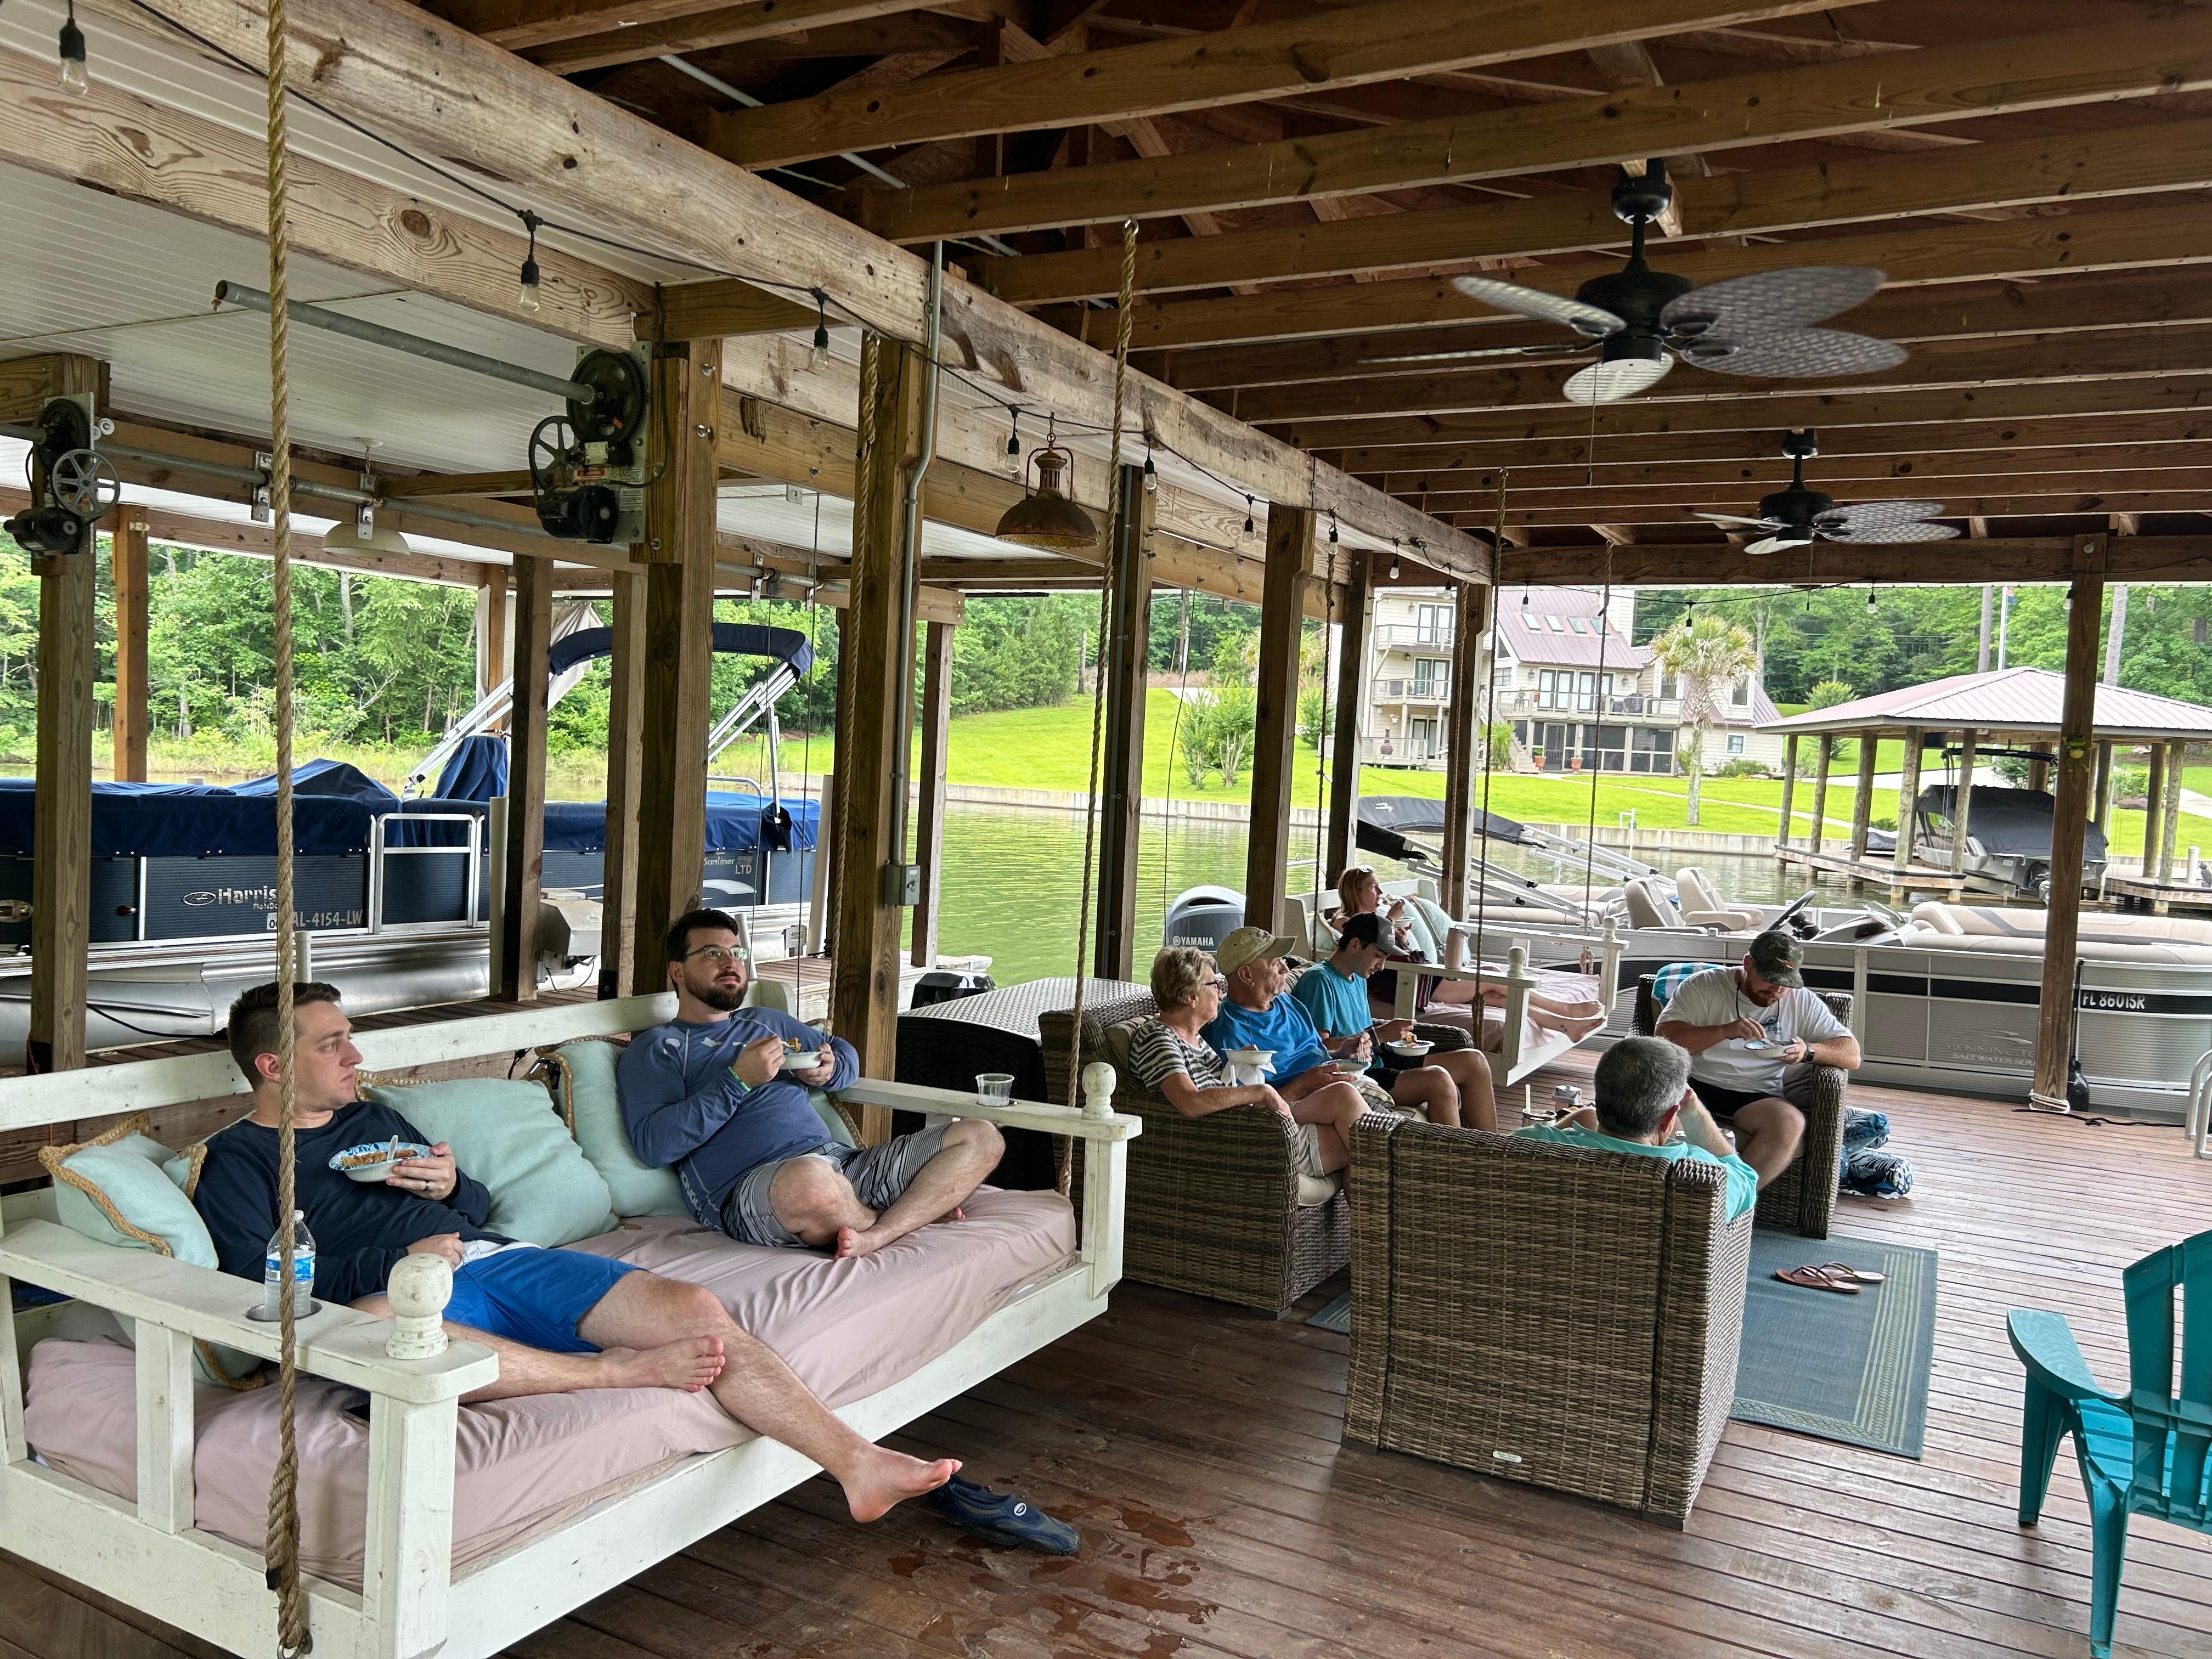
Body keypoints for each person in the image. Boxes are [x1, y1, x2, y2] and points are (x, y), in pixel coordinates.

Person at [193, 981, 958, 1523]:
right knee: (401, 1335)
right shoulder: (240, 1161)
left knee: (695, 1309)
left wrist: (451, 1188)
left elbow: (477, 1210)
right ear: (271, 1066)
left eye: (349, 1039)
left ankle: (855, 1463)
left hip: (491, 1259)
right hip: (394, 1298)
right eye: (333, 1045)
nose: (355, 1056)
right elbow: (250, 1283)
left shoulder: (371, 1119)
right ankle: (609, 1370)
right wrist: (395, 1261)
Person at [618, 909, 1003, 1259]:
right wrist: (738, 1080)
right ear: (678, 971)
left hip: (841, 1165)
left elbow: (841, 1051)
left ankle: (880, 1228)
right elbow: (656, 1145)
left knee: (981, 1136)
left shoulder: (764, 1020)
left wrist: (830, 1070)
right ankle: (899, 1218)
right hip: (751, 1189)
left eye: (736, 953)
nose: (731, 963)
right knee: (810, 1181)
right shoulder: (657, 1048)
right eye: (712, 954)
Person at [1125, 945, 1363, 1177]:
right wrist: (1262, 1091)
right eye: (1214, 985)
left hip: (1255, 1124)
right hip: (1245, 1144)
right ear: (1191, 997)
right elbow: (1190, 1101)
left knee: (1347, 1105)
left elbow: (1214, 1088)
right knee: (1368, 1146)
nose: (1220, 992)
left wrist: (1240, 1067)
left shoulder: (1193, 1038)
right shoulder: (1158, 1038)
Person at [1652, 930, 1859, 1186]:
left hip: (1756, 1093)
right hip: (1694, 1080)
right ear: (1747, 964)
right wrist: (1725, 1031)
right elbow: (1664, 1038)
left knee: (1790, 1123)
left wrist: (1808, 1051)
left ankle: (1737, 1196)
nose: (1777, 989)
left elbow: (1851, 1054)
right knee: (1651, 1107)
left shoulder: (1802, 1001)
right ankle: (1670, 1189)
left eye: (1786, 981)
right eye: (1769, 979)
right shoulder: (1703, 985)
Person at [1330, 865, 1606, 1041]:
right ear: (1355, 892)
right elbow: (1365, 951)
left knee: (1494, 996)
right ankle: (1564, 1009)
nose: (1380, 891)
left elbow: (1389, 947)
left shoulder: (1374, 916)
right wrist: (1391, 920)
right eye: (1372, 887)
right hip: (1409, 984)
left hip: (1417, 974)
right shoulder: (1344, 921)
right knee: (1495, 976)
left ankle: (1564, 1025)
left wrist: (1401, 938)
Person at [1289, 913, 1498, 1131]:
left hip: (1378, 1059)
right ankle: (1455, 1160)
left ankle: (1494, 1152)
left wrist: (1392, 1038)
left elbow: (1361, 1032)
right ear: (1355, 944)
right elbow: (1317, 1048)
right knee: (1438, 1080)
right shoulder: (1319, 981)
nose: (1381, 966)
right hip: (1357, 1073)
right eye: (1378, 956)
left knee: (1474, 1061)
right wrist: (1379, 1035)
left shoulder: (1358, 977)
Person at [1516, 1036, 1759, 1222]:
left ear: (1598, 1099)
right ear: (1668, 1119)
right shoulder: (1701, 1174)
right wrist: (1696, 1113)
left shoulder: (1527, 1146)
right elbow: (1748, 1181)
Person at [1198, 927, 1373, 1169]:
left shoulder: (1288, 1003)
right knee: (1348, 1101)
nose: (1285, 969)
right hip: (1291, 1100)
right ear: (1247, 975)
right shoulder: (1229, 1033)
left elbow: (1314, 1051)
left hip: (1326, 1086)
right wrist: (1305, 1084)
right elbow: (1248, 1108)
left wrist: (1341, 1052)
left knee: (1376, 1124)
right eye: (1275, 963)